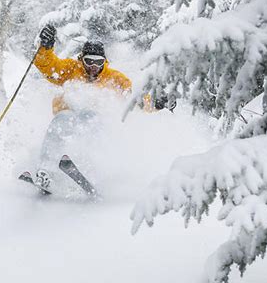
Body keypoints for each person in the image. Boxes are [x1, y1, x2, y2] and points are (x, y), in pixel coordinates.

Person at [31, 24, 173, 192]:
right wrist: (46, 47)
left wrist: (156, 103)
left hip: (95, 119)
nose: (93, 66)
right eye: (89, 61)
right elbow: (49, 66)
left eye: (98, 62)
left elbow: (135, 99)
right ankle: (46, 171)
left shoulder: (115, 78)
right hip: (67, 113)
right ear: (81, 59)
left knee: (89, 118)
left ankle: (91, 170)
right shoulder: (71, 68)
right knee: (60, 121)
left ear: (104, 62)